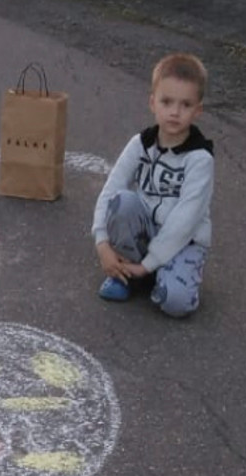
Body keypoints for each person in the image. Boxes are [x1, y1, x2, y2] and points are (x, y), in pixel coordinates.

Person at [92, 53, 214, 318]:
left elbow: (185, 220)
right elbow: (111, 189)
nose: (174, 111)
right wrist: (102, 243)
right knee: (123, 202)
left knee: (176, 304)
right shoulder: (141, 144)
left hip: (184, 240)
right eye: (167, 101)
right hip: (147, 231)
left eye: (185, 104)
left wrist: (149, 264)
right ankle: (129, 273)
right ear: (152, 102)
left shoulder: (200, 159)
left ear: (198, 110)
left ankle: (157, 272)